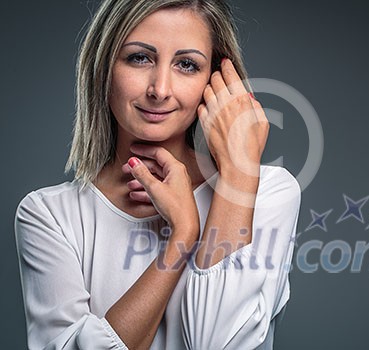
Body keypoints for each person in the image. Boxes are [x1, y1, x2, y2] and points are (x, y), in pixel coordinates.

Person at [14, 0, 301, 349]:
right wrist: (182, 237)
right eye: (139, 58)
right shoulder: (50, 215)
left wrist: (238, 176)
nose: (160, 89)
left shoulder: (266, 192)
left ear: (215, 81)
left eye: (186, 64)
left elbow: (221, 343)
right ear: (103, 68)